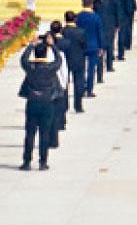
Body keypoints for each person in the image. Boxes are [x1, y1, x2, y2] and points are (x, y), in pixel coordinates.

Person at [19, 37, 63, 171]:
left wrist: (31, 46)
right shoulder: (50, 68)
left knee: (30, 133)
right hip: (47, 102)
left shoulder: (30, 68)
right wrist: (52, 46)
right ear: (45, 54)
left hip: (33, 102)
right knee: (45, 133)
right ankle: (43, 162)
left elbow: (23, 59)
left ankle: (27, 161)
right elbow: (59, 60)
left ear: (35, 54)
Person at [57, 11, 88, 114]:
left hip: (65, 60)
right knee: (78, 83)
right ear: (75, 19)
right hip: (78, 59)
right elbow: (85, 45)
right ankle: (78, 106)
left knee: (64, 82)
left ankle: (65, 105)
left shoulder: (62, 32)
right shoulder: (81, 32)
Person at [75, 0, 104, 98]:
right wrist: (101, 46)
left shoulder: (78, 17)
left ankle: (81, 88)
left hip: (80, 45)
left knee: (81, 69)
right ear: (92, 5)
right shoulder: (96, 17)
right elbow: (100, 33)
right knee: (91, 69)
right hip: (93, 45)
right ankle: (89, 89)